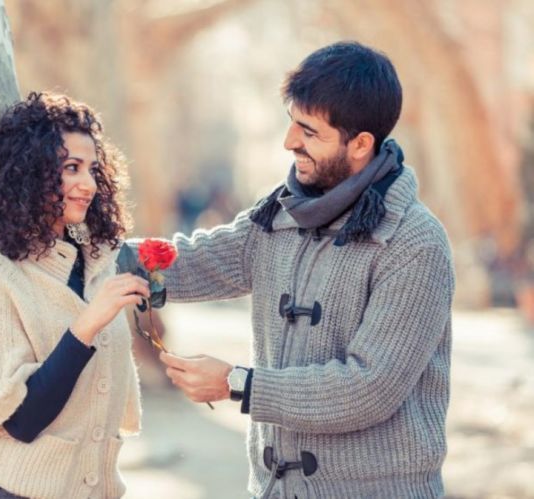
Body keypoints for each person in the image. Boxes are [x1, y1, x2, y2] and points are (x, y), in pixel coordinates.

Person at [154, 42, 455, 498]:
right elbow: (195, 260)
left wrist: (238, 384)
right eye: (291, 122)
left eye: (309, 131)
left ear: (360, 144)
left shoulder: (414, 242)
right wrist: (89, 249)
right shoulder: (278, 214)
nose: (289, 141)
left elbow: (368, 387)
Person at [0, 92, 149, 498]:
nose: (87, 184)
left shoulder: (95, 265)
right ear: (30, 173)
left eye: (93, 169)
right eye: (71, 168)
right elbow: (22, 421)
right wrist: (88, 323)